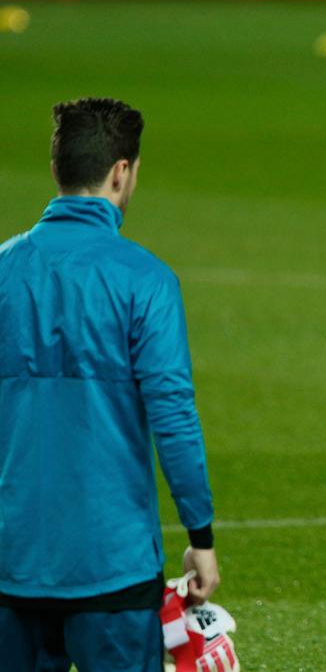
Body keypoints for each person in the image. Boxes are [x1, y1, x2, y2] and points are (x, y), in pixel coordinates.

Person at [0, 97, 219, 671]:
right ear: (122, 171)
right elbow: (173, 417)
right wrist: (200, 535)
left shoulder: (2, 270)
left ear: (57, 169)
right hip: (111, 566)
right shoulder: (146, 280)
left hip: (11, 561)